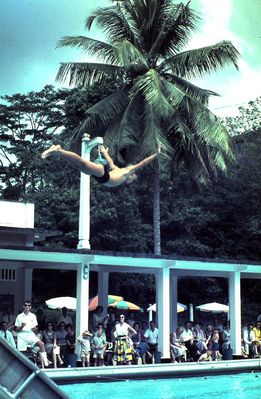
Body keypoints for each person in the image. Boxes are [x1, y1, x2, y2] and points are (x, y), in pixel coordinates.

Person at [41, 143, 160, 188]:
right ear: (132, 175)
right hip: (103, 175)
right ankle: (58, 151)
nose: (132, 179)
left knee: (78, 165)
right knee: (82, 163)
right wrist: (156, 154)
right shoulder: (127, 171)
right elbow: (143, 163)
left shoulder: (120, 172)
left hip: (102, 177)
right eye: (134, 178)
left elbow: (111, 162)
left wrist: (104, 152)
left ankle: (60, 152)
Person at [14, 300, 51, 367]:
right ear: (23, 306)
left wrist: (34, 329)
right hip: (22, 335)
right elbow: (16, 329)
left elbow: (36, 328)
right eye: (25, 305)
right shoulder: (19, 316)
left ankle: (46, 362)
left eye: (28, 305)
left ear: (30, 307)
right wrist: (22, 326)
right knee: (21, 353)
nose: (27, 306)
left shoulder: (33, 316)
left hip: (30, 334)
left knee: (41, 344)